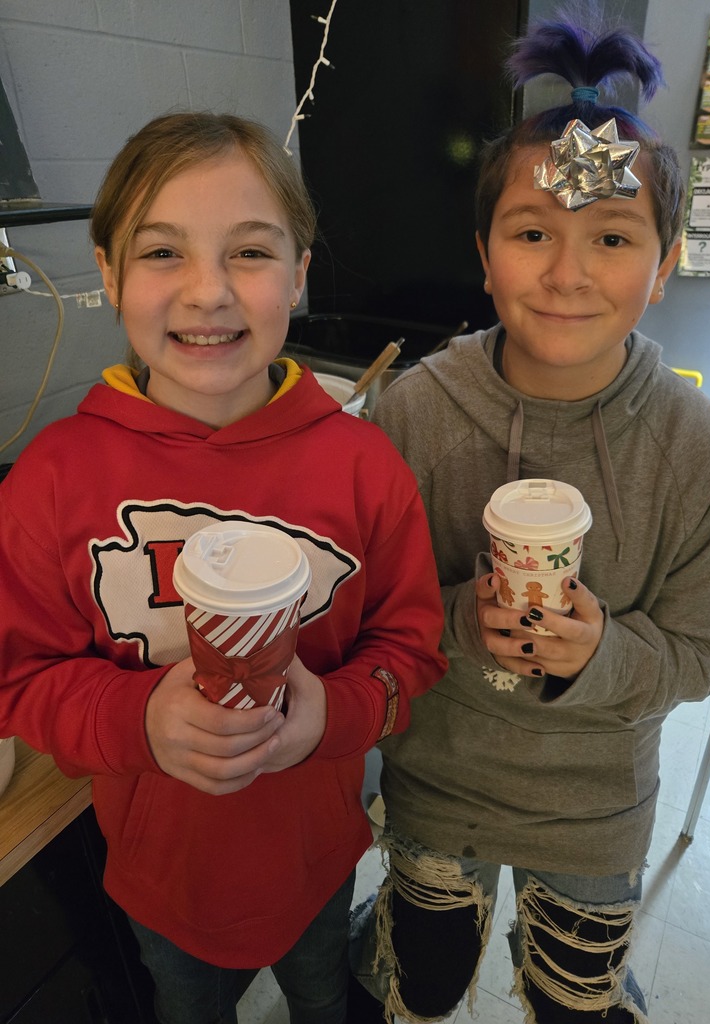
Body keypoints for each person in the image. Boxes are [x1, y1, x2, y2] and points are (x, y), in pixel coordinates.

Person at [0, 111, 448, 1024]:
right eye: (163, 252)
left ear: (300, 274)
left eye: (249, 252)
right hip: (163, 885)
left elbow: (411, 653)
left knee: (325, 997)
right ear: (108, 273)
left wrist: (332, 708)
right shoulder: (53, 478)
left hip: (318, 864)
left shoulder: (364, 466)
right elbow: (21, 681)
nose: (208, 292)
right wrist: (139, 716)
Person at [348, 12, 710, 1024]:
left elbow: (701, 653)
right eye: (533, 235)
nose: (569, 273)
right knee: (424, 982)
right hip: (441, 788)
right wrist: (451, 619)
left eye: (612, 238)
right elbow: (365, 617)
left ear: (662, 265)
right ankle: (388, 950)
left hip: (596, 811)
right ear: (485, 255)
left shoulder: (697, 446)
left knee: (575, 1001)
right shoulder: (415, 414)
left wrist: (600, 648)